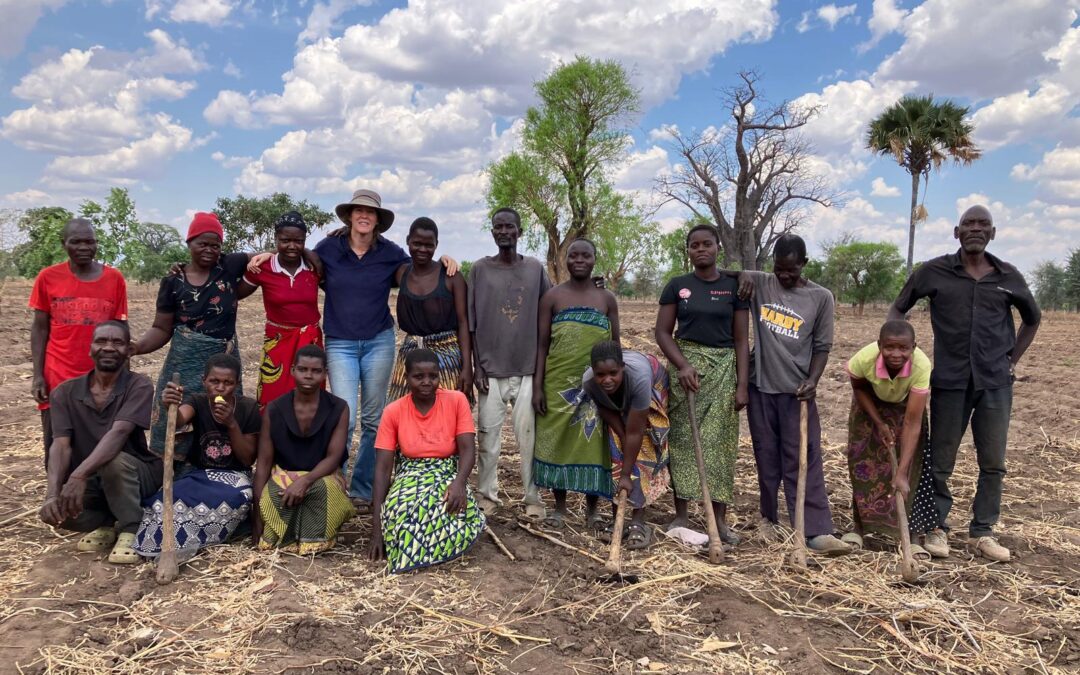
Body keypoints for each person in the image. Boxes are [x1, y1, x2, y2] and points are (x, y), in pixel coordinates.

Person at [888, 205, 1040, 562]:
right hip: (950, 381)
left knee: (993, 462)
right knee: (940, 459)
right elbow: (898, 309)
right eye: (968, 224)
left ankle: (982, 531)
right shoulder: (933, 272)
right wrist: (904, 349)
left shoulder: (1008, 275)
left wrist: (1011, 359)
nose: (975, 229)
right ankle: (937, 528)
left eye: (982, 224)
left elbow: (1032, 319)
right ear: (956, 232)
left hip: (995, 383)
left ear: (993, 232)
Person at [312, 189, 456, 503]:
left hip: (378, 341)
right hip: (340, 342)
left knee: (374, 419)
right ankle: (336, 486)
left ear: (378, 220)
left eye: (371, 212)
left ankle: (363, 489)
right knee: (344, 417)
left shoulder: (390, 253)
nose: (364, 216)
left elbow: (421, 265)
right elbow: (302, 259)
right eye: (358, 211)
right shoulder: (328, 248)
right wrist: (265, 256)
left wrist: (446, 260)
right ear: (349, 216)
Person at [743, 234, 850, 554]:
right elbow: (726, 275)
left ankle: (814, 530)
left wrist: (814, 380)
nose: (784, 276)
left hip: (797, 394)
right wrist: (746, 273)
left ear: (804, 264)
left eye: (791, 270)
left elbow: (822, 346)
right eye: (779, 269)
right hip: (761, 387)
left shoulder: (821, 297)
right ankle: (769, 519)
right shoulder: (763, 283)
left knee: (803, 457)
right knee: (766, 457)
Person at [655, 224, 749, 546]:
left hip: (724, 369)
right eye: (694, 245)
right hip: (686, 370)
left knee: (721, 445)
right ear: (689, 251)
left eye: (706, 244)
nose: (700, 249)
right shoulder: (677, 286)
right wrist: (682, 365)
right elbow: (663, 332)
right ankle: (681, 514)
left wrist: (742, 384)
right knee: (681, 440)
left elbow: (740, 339)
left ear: (717, 247)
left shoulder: (733, 287)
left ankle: (718, 519)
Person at [38, 321, 161, 565]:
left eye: (117, 343)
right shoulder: (63, 393)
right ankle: (107, 522)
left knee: (113, 462)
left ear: (128, 350)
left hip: (135, 474)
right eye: (101, 341)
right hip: (94, 479)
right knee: (59, 511)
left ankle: (131, 528)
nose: (108, 347)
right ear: (90, 348)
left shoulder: (139, 385)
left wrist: (78, 476)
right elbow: (60, 445)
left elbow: (119, 433)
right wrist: (52, 495)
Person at [135, 213, 253, 457]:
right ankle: (173, 467)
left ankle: (219, 465)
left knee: (224, 409)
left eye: (215, 245)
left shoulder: (229, 266)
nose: (209, 250)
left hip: (224, 362)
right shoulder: (173, 281)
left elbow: (272, 256)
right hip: (184, 361)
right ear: (189, 244)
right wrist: (137, 347)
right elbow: (161, 328)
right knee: (176, 409)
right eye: (202, 244)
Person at [133, 354, 260, 560]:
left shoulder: (248, 408)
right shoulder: (198, 401)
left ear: (237, 384)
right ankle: (166, 545)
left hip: (236, 477)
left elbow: (247, 459)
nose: (220, 388)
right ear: (204, 381)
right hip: (200, 475)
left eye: (228, 383)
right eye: (214, 381)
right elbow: (181, 417)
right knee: (162, 501)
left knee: (230, 501)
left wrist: (231, 424)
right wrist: (170, 405)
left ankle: (195, 540)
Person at [369, 348, 485, 573]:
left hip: (447, 472)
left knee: (447, 506)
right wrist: (377, 529)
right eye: (418, 376)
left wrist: (459, 483)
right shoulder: (393, 411)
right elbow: (383, 471)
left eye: (433, 376)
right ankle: (417, 552)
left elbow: (468, 449)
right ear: (406, 378)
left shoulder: (456, 400)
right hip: (409, 474)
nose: (426, 382)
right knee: (400, 509)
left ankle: (421, 551)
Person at [469, 207, 551, 519]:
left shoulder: (534, 268)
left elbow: (551, 307)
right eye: (498, 227)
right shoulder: (479, 269)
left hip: (527, 368)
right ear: (492, 232)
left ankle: (533, 499)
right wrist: (477, 365)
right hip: (490, 369)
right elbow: (472, 322)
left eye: (509, 227)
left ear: (519, 231)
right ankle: (487, 495)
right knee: (487, 439)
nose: (504, 232)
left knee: (528, 440)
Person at [532, 238, 619, 529]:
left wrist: (616, 387)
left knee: (593, 442)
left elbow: (615, 346)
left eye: (586, 255)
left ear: (595, 259)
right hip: (557, 383)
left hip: (597, 385)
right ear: (564, 259)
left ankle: (592, 510)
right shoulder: (552, 297)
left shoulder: (606, 299)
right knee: (557, 440)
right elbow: (542, 346)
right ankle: (559, 506)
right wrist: (537, 387)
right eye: (573, 255)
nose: (579, 260)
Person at [30, 218, 128, 466]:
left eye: (90, 241)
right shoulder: (47, 278)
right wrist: (38, 375)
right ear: (64, 244)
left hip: (102, 379)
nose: (84, 247)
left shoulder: (114, 279)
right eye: (76, 241)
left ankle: (92, 501)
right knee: (57, 444)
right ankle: (58, 499)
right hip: (58, 376)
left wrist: (124, 379)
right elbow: (40, 328)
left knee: (102, 446)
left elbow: (121, 330)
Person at [843, 321, 940, 559]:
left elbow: (912, 423)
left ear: (913, 347)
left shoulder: (921, 366)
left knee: (912, 467)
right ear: (879, 346)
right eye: (889, 348)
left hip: (906, 407)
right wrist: (878, 422)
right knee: (862, 461)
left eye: (903, 348)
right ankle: (859, 528)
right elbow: (859, 388)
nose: (896, 354)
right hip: (870, 404)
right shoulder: (863, 360)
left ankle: (911, 536)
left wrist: (902, 473)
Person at [253, 345, 356, 554]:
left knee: (324, 490)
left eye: (316, 371)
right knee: (275, 492)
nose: (308, 376)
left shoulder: (339, 407)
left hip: (322, 476)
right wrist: (257, 515)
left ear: (325, 373)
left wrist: (305, 481)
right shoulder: (274, 408)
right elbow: (263, 462)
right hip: (284, 476)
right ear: (292, 370)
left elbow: (334, 456)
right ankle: (287, 538)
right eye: (303, 369)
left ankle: (313, 539)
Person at [582, 341, 671, 549]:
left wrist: (626, 475)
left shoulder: (639, 379)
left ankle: (638, 521)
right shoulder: (589, 381)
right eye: (601, 375)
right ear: (593, 372)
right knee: (616, 446)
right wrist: (621, 436)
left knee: (645, 447)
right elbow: (607, 411)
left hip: (654, 382)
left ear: (622, 368)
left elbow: (636, 432)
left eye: (613, 373)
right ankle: (617, 519)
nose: (607, 380)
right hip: (618, 403)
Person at [238, 211, 323, 411]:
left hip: (310, 341)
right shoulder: (262, 266)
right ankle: (271, 439)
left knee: (310, 395)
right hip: (277, 341)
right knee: (272, 397)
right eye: (285, 240)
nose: (292, 246)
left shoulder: (314, 267)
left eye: (298, 241)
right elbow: (235, 294)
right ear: (276, 239)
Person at [385, 217, 473, 402]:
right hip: (410, 355)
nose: (423, 250)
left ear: (436, 245)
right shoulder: (401, 273)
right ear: (408, 241)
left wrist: (466, 367)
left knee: (446, 416)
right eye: (417, 243)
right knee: (405, 417)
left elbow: (464, 322)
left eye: (429, 245)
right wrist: (347, 232)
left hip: (446, 355)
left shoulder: (451, 277)